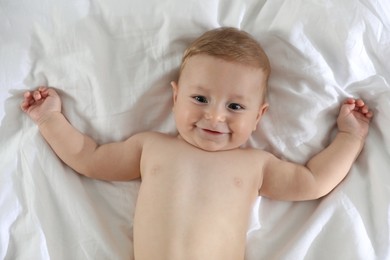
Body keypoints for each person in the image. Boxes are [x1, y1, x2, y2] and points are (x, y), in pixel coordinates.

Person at [20, 27, 373, 260]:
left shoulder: (255, 164)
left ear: (259, 116)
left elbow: (313, 182)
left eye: (235, 106)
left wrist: (349, 136)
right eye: (200, 99)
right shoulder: (151, 147)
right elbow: (89, 157)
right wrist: (50, 119)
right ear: (175, 97)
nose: (215, 117)